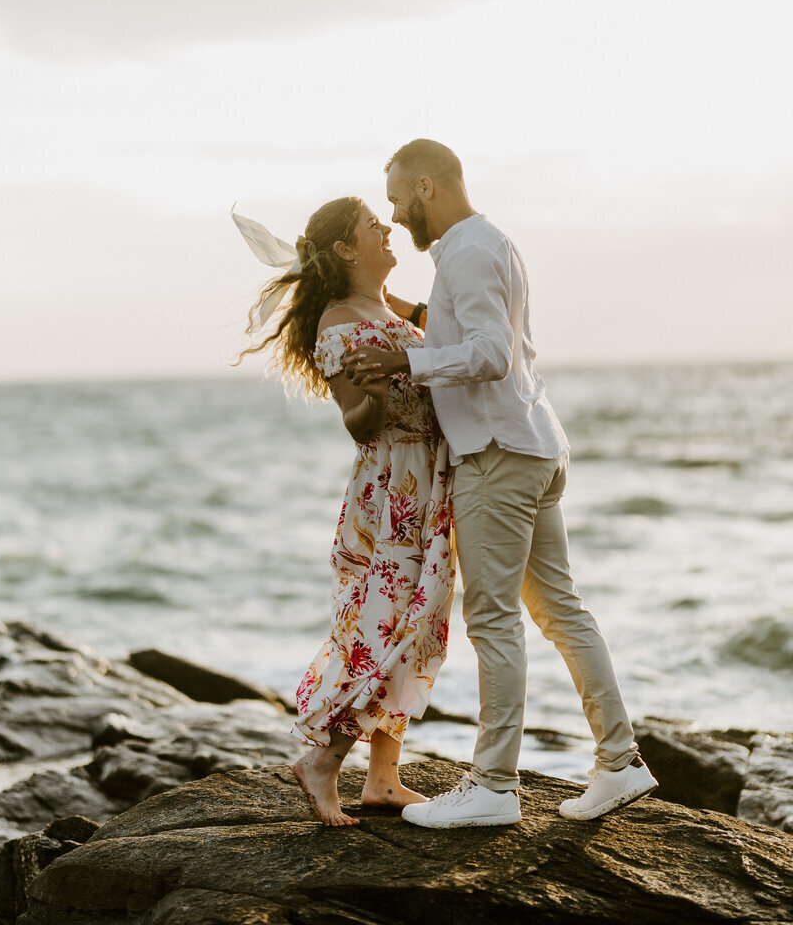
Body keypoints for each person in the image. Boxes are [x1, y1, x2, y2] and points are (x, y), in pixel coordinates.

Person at [343, 140, 657, 828]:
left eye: (397, 199)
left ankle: (493, 787)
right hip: (533, 444)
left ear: (427, 187)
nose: (394, 217)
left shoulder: (466, 250)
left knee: (493, 618)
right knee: (561, 612)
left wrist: (407, 357)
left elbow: (489, 354)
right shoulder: (486, 244)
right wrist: (415, 315)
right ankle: (620, 762)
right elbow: (483, 333)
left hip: (497, 455)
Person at [234, 195, 455, 827]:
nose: (387, 230)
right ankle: (325, 759)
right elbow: (357, 425)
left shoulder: (388, 309)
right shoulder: (337, 322)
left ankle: (383, 778)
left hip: (428, 484)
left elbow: (448, 331)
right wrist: (379, 398)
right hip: (392, 492)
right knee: (384, 626)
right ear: (345, 250)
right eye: (371, 225)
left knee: (422, 626)